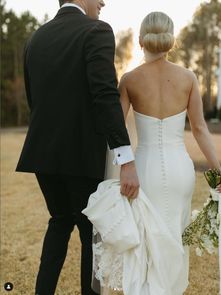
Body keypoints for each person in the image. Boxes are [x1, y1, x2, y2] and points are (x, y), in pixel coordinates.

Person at [15, 0, 139, 294]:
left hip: (42, 153)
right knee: (89, 232)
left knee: (59, 222)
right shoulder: (96, 30)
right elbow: (105, 94)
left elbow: (35, 99)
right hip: (82, 154)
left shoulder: (36, 37)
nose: (102, 2)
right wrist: (125, 158)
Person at [118, 11, 221, 294]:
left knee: (145, 242)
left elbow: (117, 130)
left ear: (141, 40)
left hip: (144, 169)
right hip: (181, 172)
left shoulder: (129, 80)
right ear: (171, 40)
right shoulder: (188, 77)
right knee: (176, 239)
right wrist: (218, 174)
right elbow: (201, 129)